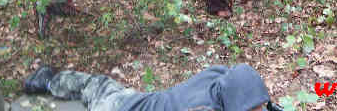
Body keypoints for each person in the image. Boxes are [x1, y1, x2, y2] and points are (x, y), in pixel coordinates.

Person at [22, 63, 271, 111]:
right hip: (123, 108)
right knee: (94, 86)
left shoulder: (220, 79)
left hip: (148, 100)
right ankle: (47, 81)